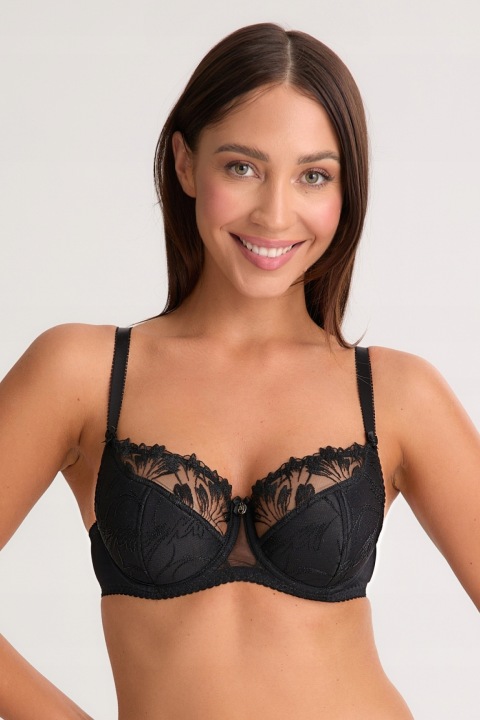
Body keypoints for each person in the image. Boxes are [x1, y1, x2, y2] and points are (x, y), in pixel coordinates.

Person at [0, 22, 478, 720]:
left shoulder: (398, 394)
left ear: (346, 191)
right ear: (186, 164)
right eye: (243, 168)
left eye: (313, 175)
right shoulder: (82, 373)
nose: (275, 213)